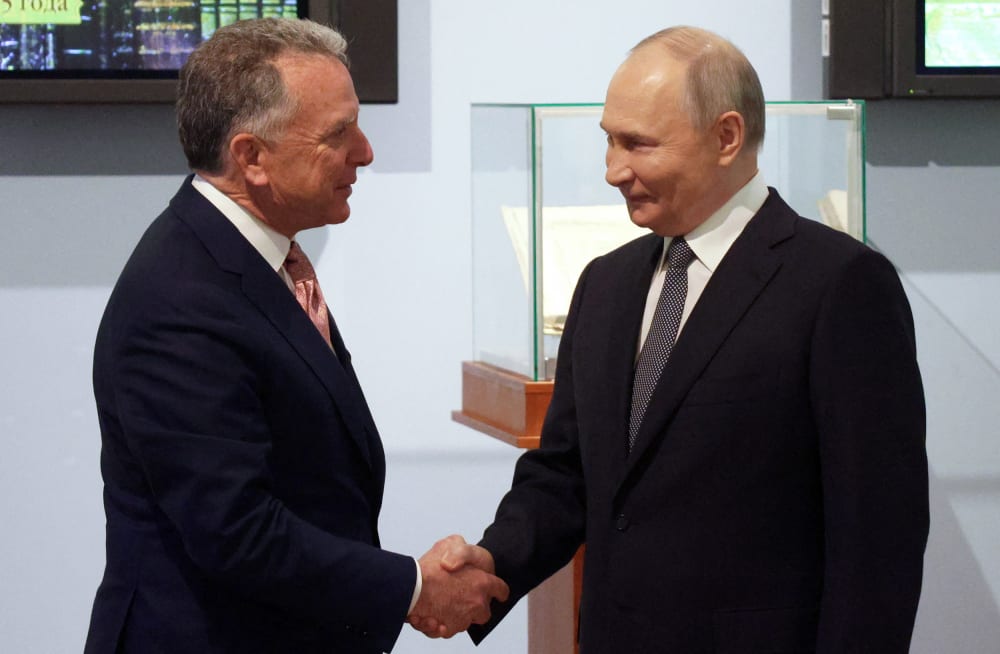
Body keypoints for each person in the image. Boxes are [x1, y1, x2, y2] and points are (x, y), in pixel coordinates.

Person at [444, 26, 929, 652]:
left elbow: (877, 540)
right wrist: (489, 567)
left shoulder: (840, 284)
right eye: (608, 141)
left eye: (638, 144)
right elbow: (566, 474)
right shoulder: (606, 284)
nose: (613, 169)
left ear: (726, 136)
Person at [83, 18, 506, 654]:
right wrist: (413, 588)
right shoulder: (181, 300)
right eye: (338, 134)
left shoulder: (255, 260)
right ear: (251, 157)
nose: (365, 152)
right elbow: (237, 531)